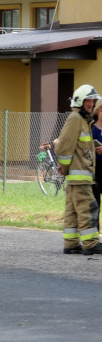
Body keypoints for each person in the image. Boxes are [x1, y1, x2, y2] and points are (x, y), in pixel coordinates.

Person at [56, 84, 102, 254]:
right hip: (79, 177)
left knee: (72, 211)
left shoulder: (83, 120)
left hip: (78, 177)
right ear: (80, 101)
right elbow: (63, 148)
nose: (91, 104)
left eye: (93, 101)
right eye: (88, 100)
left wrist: (66, 169)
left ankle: (71, 244)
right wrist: (66, 168)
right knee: (87, 208)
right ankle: (90, 243)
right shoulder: (75, 119)